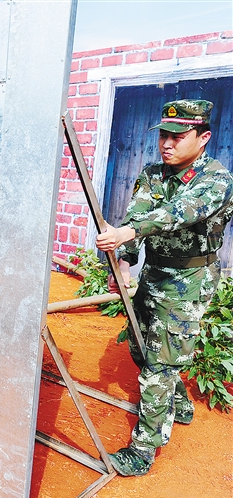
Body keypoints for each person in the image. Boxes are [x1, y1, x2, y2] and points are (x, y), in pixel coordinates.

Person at [95, 99, 233, 477]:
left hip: (189, 281)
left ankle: (142, 451)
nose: (167, 144)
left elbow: (180, 213)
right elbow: (137, 215)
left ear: (203, 138)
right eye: (163, 136)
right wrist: (124, 262)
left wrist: (128, 232)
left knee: (160, 365)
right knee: (141, 346)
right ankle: (179, 399)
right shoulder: (153, 173)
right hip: (155, 273)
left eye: (178, 136)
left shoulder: (216, 179)